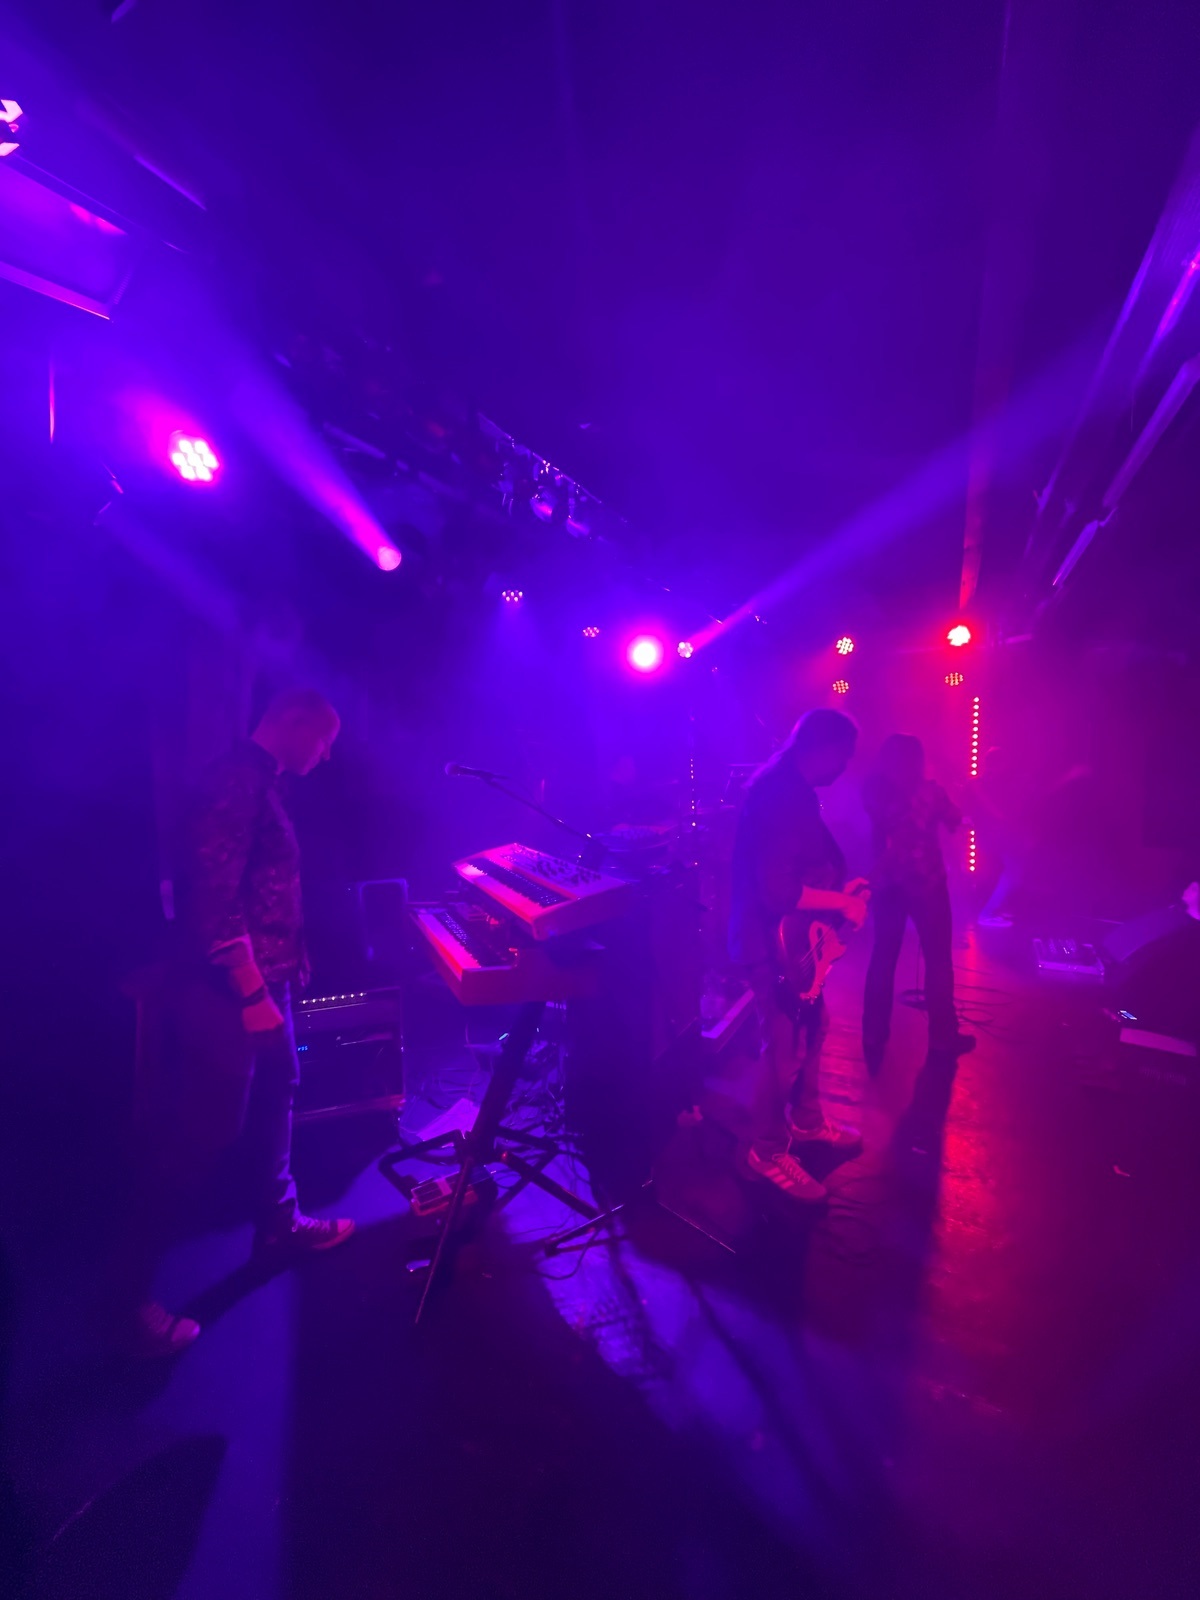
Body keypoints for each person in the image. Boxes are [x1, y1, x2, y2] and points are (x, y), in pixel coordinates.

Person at [123, 689, 355, 1356]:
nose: (327, 754)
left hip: (264, 983)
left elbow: (262, 887)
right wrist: (252, 990)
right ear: (293, 723)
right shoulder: (234, 783)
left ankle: (279, 1223)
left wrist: (285, 967)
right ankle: (124, 1300)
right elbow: (216, 900)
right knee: (203, 1135)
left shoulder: (260, 781)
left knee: (281, 1089)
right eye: (324, 739)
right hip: (230, 994)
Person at [729, 709, 866, 1205]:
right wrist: (842, 904)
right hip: (770, 946)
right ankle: (764, 1151)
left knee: (814, 1027)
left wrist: (839, 890)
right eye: (843, 757)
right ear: (823, 749)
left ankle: (806, 1121)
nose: (845, 768)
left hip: (792, 943)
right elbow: (778, 891)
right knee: (783, 1049)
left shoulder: (789, 788)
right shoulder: (783, 796)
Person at [861, 734, 974, 1071]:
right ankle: (942, 1037)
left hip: (888, 884)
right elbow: (956, 819)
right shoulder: (931, 792)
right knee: (938, 960)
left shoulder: (873, 790)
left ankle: (873, 1036)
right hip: (927, 884)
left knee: (883, 956)